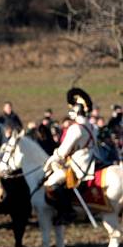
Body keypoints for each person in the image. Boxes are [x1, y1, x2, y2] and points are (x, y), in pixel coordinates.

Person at [43, 88, 98, 226]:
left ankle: (67, 211)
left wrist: (51, 160)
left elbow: (62, 151)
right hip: (90, 162)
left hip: (77, 166)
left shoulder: (75, 128)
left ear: (77, 111)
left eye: (72, 109)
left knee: (51, 183)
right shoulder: (93, 127)